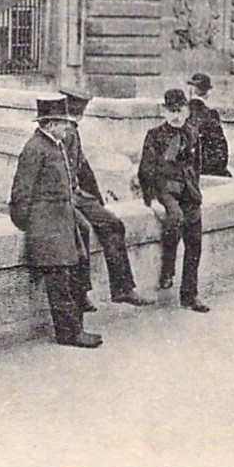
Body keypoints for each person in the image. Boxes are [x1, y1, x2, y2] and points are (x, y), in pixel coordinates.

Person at [9, 96, 102, 348]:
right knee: (59, 280)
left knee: (69, 274)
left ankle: (75, 329)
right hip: (47, 227)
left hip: (61, 222)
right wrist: (32, 226)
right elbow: (20, 193)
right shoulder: (34, 148)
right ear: (50, 124)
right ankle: (68, 333)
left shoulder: (55, 145)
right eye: (63, 124)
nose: (67, 128)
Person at [59, 88, 153, 311]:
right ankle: (119, 289)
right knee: (109, 226)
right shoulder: (69, 133)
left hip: (75, 197)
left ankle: (93, 293)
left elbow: (84, 170)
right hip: (69, 198)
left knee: (105, 226)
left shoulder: (69, 131)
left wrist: (97, 202)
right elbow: (78, 171)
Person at [139, 89, 211, 313]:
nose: (176, 117)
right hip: (165, 189)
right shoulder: (154, 135)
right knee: (175, 218)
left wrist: (194, 190)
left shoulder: (192, 134)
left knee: (195, 239)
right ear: (164, 112)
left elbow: (197, 166)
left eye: (180, 111)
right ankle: (168, 267)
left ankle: (190, 295)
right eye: (171, 112)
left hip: (188, 190)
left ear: (188, 111)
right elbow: (146, 170)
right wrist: (151, 199)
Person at [185, 72, 232, 177]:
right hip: (206, 169)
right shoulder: (211, 115)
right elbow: (221, 150)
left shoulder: (181, 114)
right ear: (208, 93)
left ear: (190, 90)